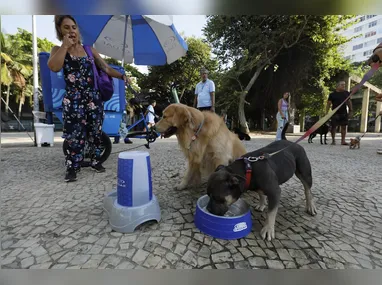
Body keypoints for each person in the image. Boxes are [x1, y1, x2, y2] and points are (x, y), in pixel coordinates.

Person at [48, 15, 131, 182]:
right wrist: (65, 46)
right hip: (73, 99)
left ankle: (95, 161)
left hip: (93, 98)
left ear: (78, 29)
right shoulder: (57, 50)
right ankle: (73, 167)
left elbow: (106, 68)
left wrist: (122, 76)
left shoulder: (89, 49)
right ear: (60, 31)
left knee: (95, 132)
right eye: (66, 28)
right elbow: (54, 66)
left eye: (73, 27)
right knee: (74, 134)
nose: (71, 31)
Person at [326, 81, 353, 146]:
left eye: (344, 85)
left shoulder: (346, 93)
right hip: (335, 113)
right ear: (337, 86)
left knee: (344, 127)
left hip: (344, 113)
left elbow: (349, 102)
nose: (344, 86)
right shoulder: (332, 94)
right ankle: (333, 140)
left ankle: (343, 141)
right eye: (342, 85)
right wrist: (326, 112)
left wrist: (351, 110)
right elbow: (328, 104)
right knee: (333, 127)